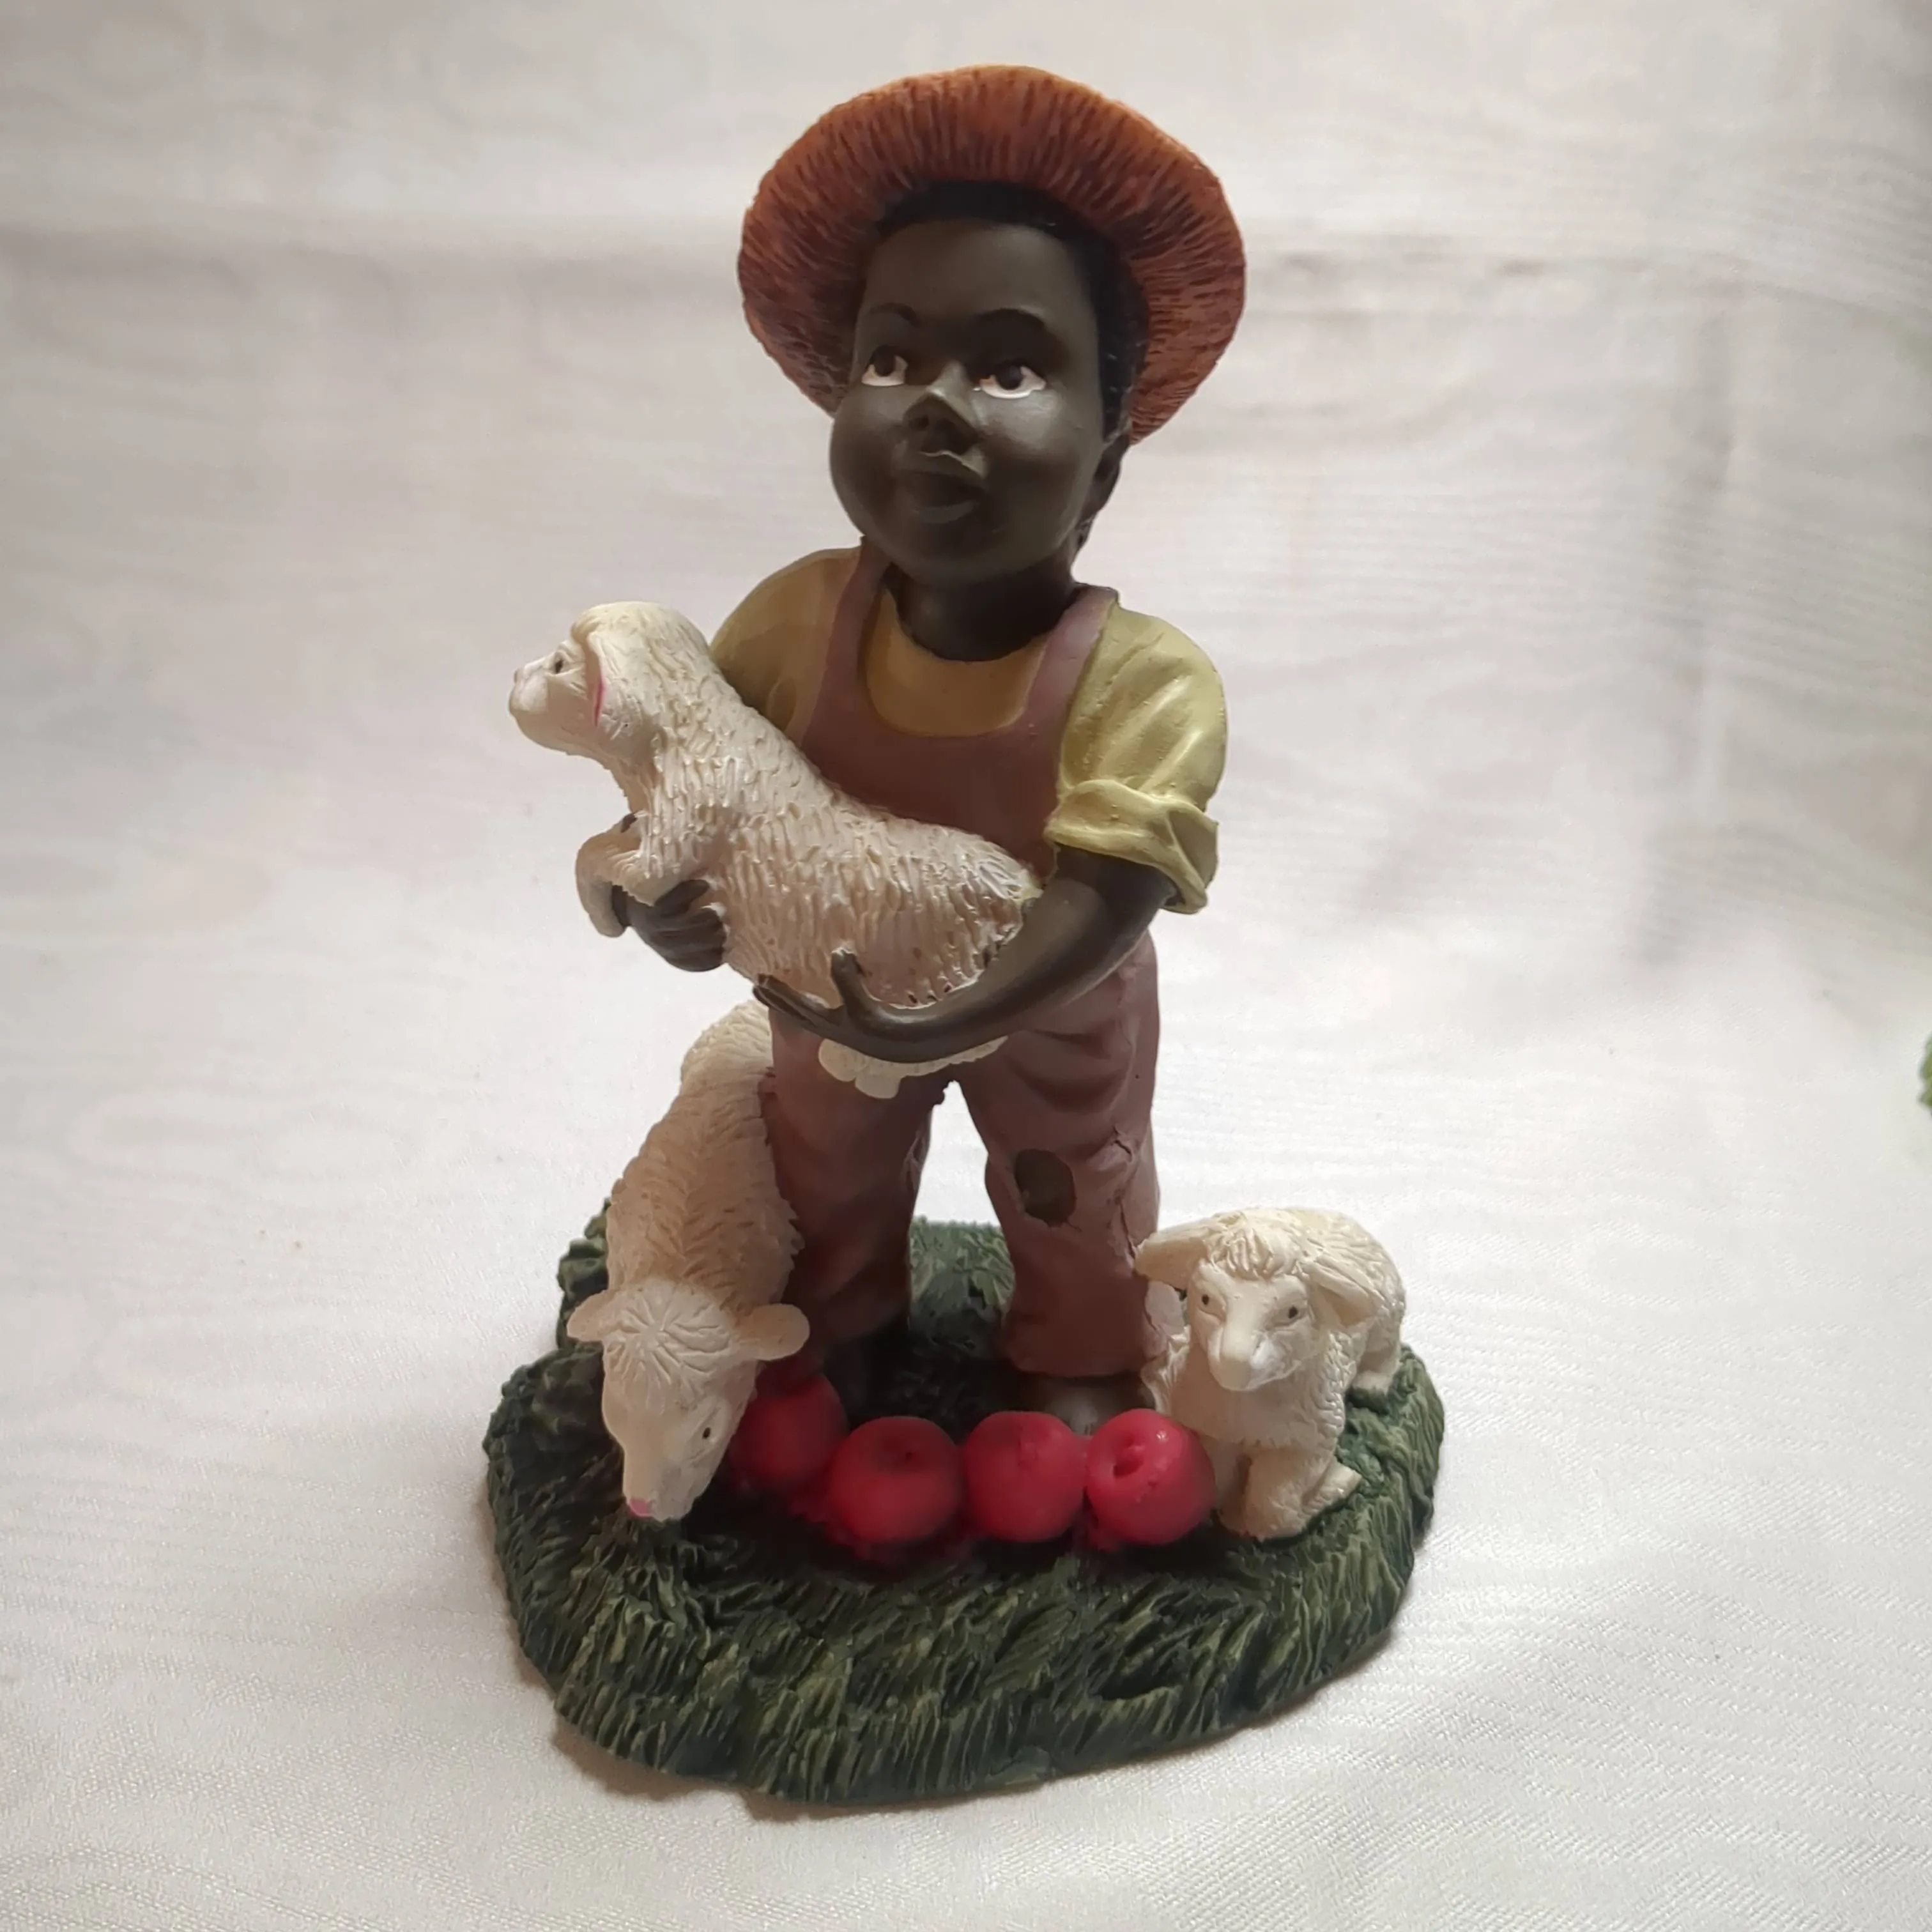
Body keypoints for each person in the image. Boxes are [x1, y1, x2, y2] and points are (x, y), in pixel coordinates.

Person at [617, 67, 1246, 1426]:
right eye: (890, 360)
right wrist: (673, 899)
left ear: (1107, 457)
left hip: (1058, 1008)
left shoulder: (1145, 683)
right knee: (823, 1162)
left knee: (1070, 1178)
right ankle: (838, 1324)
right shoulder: (789, 625)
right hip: (829, 985)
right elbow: (705, 787)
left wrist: (954, 1014)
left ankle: (1078, 1349)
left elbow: (1104, 895)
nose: (934, 404)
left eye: (1011, 369)